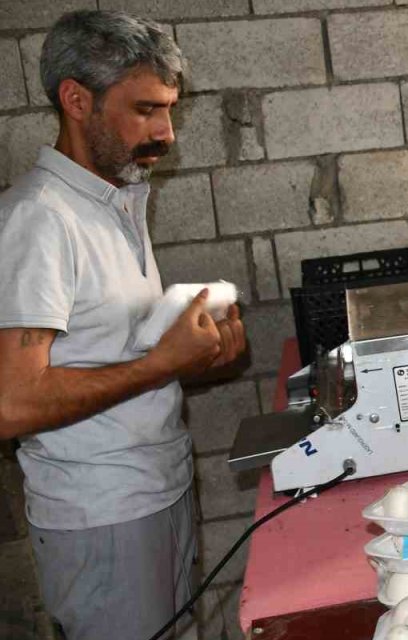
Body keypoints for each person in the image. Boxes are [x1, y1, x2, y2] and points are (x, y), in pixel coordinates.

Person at [0, 10, 247, 640]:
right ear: (76, 100)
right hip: (101, 514)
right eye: (146, 110)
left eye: (170, 109)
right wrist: (161, 364)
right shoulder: (40, 219)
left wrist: (198, 354)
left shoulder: (115, 199)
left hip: (155, 487)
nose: (166, 132)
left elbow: (107, 355)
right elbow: (12, 402)